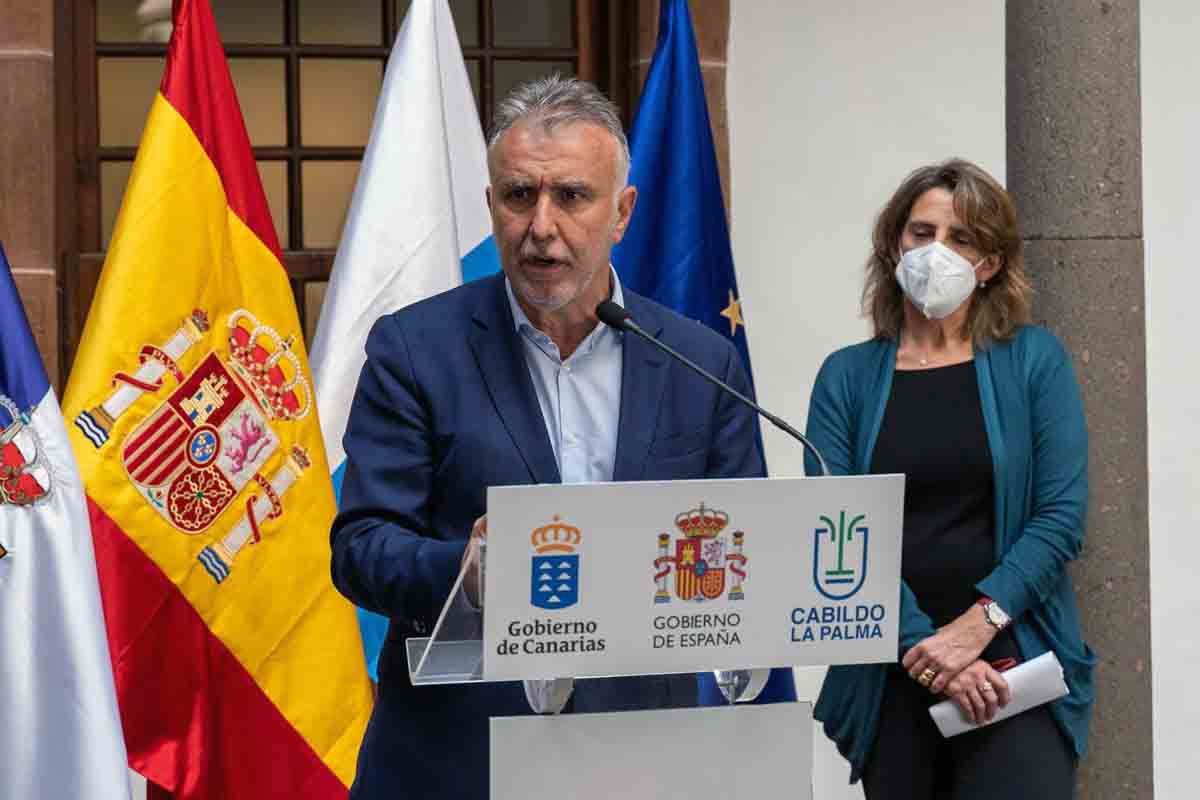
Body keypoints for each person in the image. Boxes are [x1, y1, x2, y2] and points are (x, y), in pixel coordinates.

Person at [330, 75, 766, 800]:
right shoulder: (415, 349)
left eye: (571, 196)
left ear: (622, 212)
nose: (541, 225)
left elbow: (744, 553)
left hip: (640, 755)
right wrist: (467, 567)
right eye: (518, 195)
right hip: (461, 753)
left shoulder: (701, 362)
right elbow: (361, 548)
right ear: (491, 205)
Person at [805, 159, 1095, 798]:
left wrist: (976, 628)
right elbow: (836, 530)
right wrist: (929, 654)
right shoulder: (846, 378)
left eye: (961, 239)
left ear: (989, 262)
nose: (937, 251)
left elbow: (1061, 515)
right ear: (893, 244)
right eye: (921, 232)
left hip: (1011, 663)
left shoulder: (1032, 361)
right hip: (894, 667)